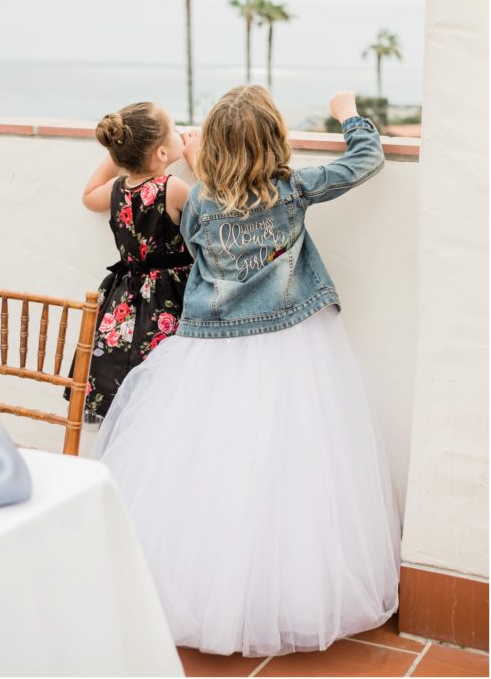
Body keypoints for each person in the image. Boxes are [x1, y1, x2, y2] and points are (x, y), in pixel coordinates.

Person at [91, 86, 401, 657]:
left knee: (214, 464)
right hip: (292, 336)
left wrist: (194, 162)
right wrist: (348, 115)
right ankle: (283, 596)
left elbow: (194, 246)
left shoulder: (202, 201)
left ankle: (210, 591)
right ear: (273, 140)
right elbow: (366, 160)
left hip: (211, 341)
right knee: (294, 465)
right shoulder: (294, 189)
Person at [65, 101, 196, 424]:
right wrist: (196, 156)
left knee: (129, 371)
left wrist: (119, 155)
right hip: (172, 295)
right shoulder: (173, 189)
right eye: (175, 131)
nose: (181, 134)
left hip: (126, 294)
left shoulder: (115, 190)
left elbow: (88, 195)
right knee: (170, 384)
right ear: (162, 154)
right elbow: (213, 210)